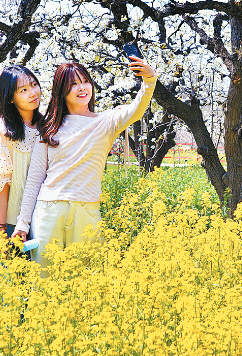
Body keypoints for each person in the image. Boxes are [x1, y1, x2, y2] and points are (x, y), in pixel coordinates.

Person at [13, 56, 157, 265]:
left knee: (86, 277)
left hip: (87, 210)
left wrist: (149, 79)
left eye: (85, 81)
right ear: (62, 90)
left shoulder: (107, 121)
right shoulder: (48, 128)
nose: (82, 88)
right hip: (48, 211)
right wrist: (22, 224)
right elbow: (34, 180)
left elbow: (138, 108)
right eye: (73, 84)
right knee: (43, 277)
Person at [0, 65, 43, 240]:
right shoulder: (2, 131)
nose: (33, 93)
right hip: (15, 222)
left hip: (46, 216)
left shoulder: (49, 127)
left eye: (34, 85)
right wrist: (1, 227)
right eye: (23, 90)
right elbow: (1, 181)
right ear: (10, 98)